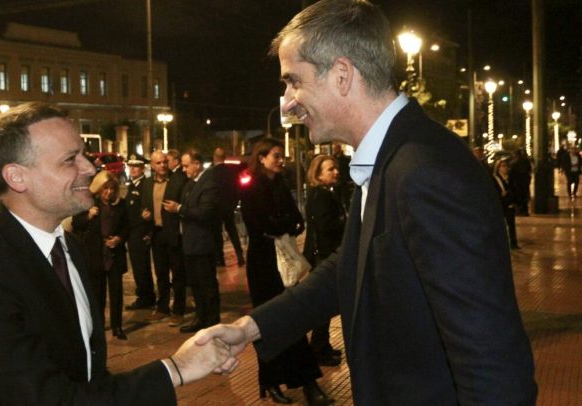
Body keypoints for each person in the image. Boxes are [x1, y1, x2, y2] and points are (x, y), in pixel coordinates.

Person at [200, 1, 538, 404]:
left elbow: (494, 366)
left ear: (342, 75)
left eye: (294, 82)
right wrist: (249, 328)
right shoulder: (390, 158)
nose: (287, 102)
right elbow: (350, 266)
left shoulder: (424, 173)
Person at [0, 103, 230, 404]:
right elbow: (49, 399)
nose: (90, 169)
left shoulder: (69, 248)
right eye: (70, 160)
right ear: (16, 177)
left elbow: (88, 372)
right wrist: (175, 369)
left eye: (84, 155)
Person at [238, 138, 332, 405]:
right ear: (262, 157)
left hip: (283, 261)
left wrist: (281, 224)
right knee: (267, 322)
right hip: (262, 263)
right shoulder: (251, 187)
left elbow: (297, 221)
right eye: (276, 155)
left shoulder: (280, 184)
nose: (281, 160)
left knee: (291, 320)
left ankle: (299, 382)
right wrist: (282, 224)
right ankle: (280, 381)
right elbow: (259, 226)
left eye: (281, 156)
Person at [163, 149, 221, 333]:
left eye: (187, 166)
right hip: (189, 243)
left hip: (202, 243)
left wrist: (179, 208)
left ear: (197, 164)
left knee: (207, 284)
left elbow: (205, 212)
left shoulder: (209, 183)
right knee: (195, 284)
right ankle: (200, 318)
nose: (184, 169)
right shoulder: (190, 184)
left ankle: (211, 320)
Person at [72, 171, 129, 340]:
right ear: (98, 188)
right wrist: (88, 216)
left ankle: (117, 326)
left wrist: (119, 239)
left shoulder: (121, 204)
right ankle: (99, 324)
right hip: (95, 254)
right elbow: (76, 223)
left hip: (114, 254)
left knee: (116, 292)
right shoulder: (88, 203)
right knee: (98, 293)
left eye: (112, 189)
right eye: (105, 188)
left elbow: (127, 226)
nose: (109, 192)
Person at [302, 154, 346, 367]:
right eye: (330, 169)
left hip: (321, 253)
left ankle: (322, 346)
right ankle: (319, 349)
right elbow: (325, 226)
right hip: (325, 254)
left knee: (324, 304)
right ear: (318, 174)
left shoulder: (321, 194)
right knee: (324, 305)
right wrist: (344, 221)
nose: (336, 172)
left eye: (336, 168)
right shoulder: (322, 197)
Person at [141, 150, 187, 326]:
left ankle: (179, 310)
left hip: (173, 233)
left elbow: (184, 205)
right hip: (156, 233)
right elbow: (145, 205)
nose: (162, 165)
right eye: (158, 163)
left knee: (178, 273)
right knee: (161, 273)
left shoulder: (178, 181)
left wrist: (177, 209)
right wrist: (145, 214)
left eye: (164, 162)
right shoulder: (147, 184)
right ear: (152, 165)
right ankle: (162, 308)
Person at [124, 155, 156, 310]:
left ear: (143, 168)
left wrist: (149, 232)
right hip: (133, 231)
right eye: (130, 166)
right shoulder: (133, 184)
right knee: (137, 266)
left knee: (141, 266)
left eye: (136, 166)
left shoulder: (145, 185)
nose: (133, 169)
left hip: (140, 231)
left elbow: (149, 209)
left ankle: (146, 296)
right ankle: (144, 294)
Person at [210, 147, 245, 267]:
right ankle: (239, 255)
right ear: (224, 158)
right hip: (229, 206)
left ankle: (220, 258)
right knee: (232, 230)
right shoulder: (231, 172)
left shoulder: (212, 173)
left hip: (216, 207)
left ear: (214, 157)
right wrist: (233, 203)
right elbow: (237, 188)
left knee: (217, 233)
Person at [493, 159, 519, 249]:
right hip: (501, 204)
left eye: (506, 166)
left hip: (509, 203)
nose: (506, 168)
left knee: (511, 224)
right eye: (503, 166)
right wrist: (500, 194)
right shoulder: (495, 179)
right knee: (500, 225)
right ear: (498, 168)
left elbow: (515, 189)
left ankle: (513, 243)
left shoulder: (510, 178)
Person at [509, 148, 532, 215]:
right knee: (525, 196)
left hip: (517, 183)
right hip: (525, 182)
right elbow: (529, 171)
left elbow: (511, 174)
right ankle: (525, 210)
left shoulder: (513, 163)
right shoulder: (526, 161)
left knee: (518, 197)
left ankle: (519, 210)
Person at [331, 143, 352, 211]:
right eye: (335, 149)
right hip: (336, 182)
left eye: (336, 149)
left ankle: (347, 210)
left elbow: (348, 169)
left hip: (343, 181)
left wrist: (347, 178)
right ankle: (340, 210)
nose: (335, 150)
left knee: (345, 198)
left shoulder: (345, 159)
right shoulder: (333, 159)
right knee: (337, 198)